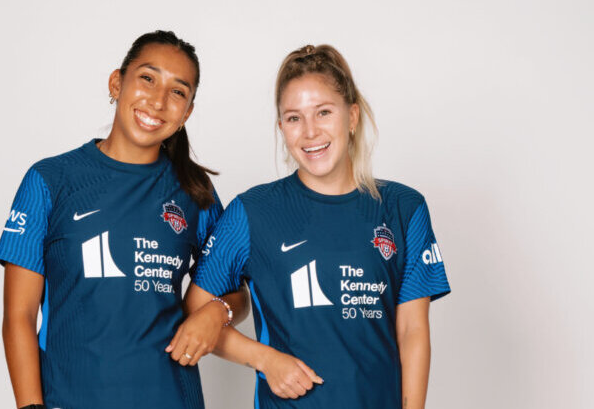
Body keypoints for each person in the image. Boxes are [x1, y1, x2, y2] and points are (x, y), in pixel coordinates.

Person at [180, 44, 451, 408]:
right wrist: (264, 359)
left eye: (323, 112)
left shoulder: (404, 208)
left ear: (352, 116)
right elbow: (196, 314)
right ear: (281, 128)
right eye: (294, 118)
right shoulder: (252, 212)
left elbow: (412, 331)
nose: (310, 132)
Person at [0, 30, 248, 409]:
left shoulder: (195, 192)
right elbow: (20, 315)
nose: (158, 101)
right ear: (117, 83)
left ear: (187, 112)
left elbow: (238, 294)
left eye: (178, 92)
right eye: (147, 78)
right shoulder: (50, 180)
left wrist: (218, 312)